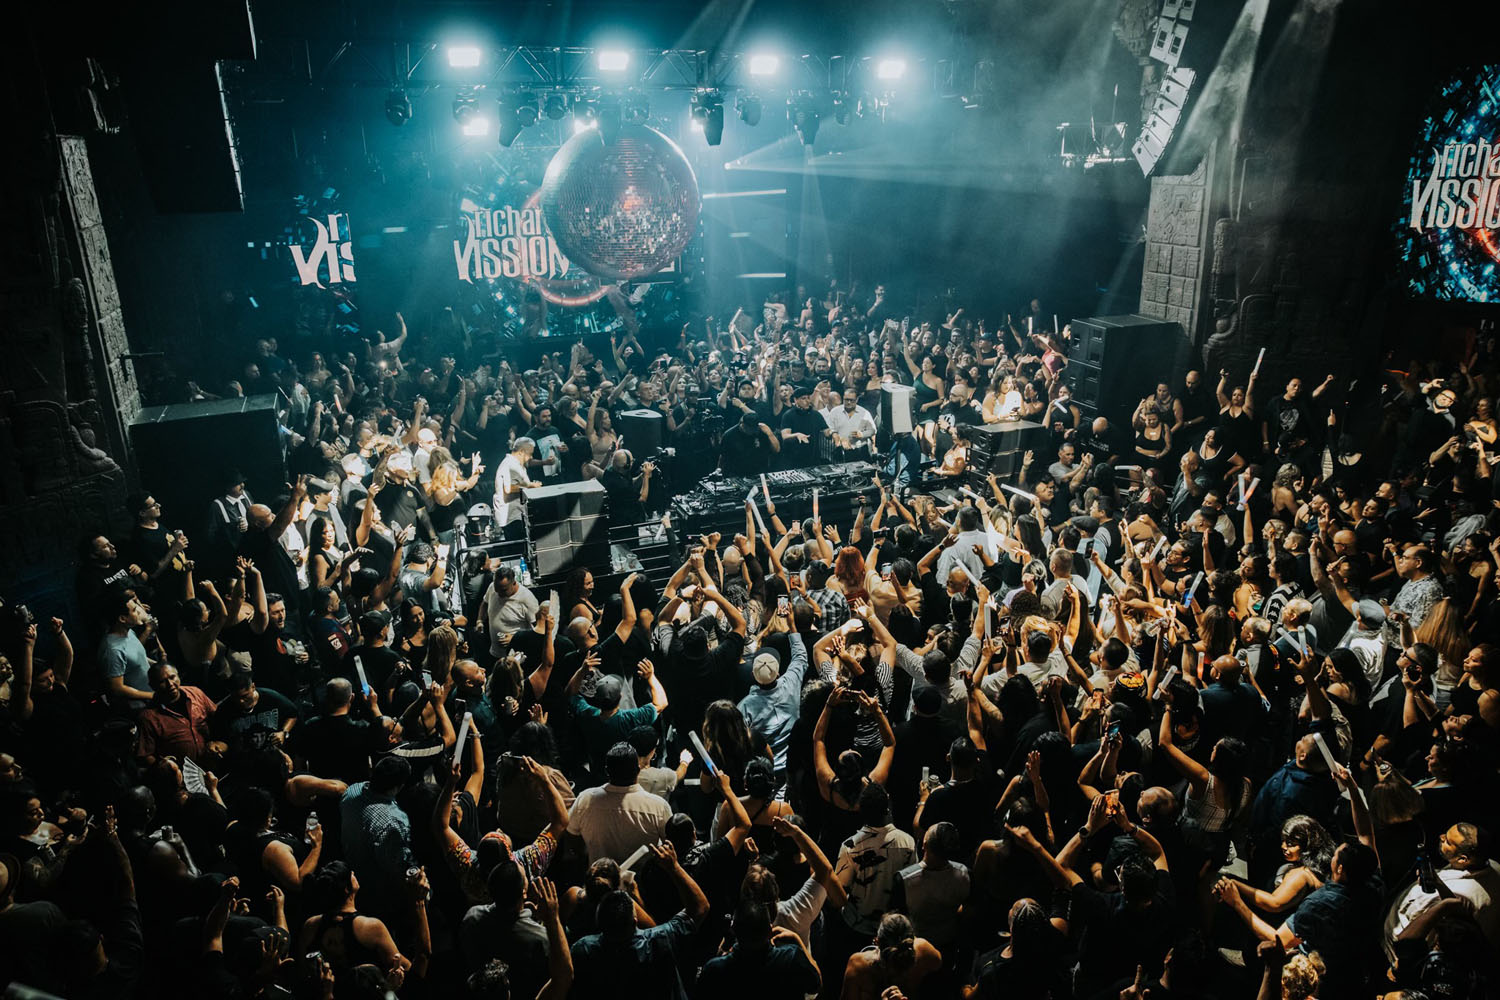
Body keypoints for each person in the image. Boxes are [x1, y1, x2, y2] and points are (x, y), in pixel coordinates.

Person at [568, 842, 710, 1000]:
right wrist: (673, 867)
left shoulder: (582, 950)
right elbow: (700, 907)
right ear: (635, 921)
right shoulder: (659, 941)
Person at [566, 742, 671, 862]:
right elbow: (671, 844)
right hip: (642, 874)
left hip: (599, 873)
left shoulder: (585, 799)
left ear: (607, 771)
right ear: (638, 770)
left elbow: (571, 835)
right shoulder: (658, 806)